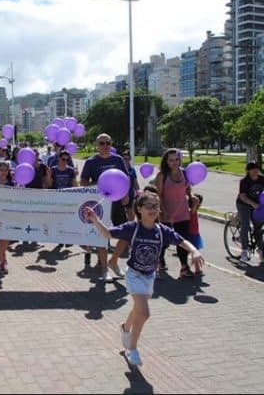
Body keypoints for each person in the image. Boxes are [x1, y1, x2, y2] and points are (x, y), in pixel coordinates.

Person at [84, 191, 205, 367]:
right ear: (139, 209)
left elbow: (181, 241)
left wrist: (194, 251)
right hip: (134, 275)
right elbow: (108, 234)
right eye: (148, 206)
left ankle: (125, 327)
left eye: (156, 206)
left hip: (149, 276)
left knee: (138, 309)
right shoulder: (132, 228)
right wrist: (95, 219)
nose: (153, 209)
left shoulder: (161, 230)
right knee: (145, 313)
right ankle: (132, 349)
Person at [80, 133, 130, 282]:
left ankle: (113, 260)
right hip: (100, 203)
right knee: (102, 237)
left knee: (126, 233)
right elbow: (83, 182)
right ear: (97, 145)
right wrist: (100, 185)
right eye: (102, 143)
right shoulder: (91, 162)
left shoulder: (118, 159)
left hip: (117, 202)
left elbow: (125, 178)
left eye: (108, 142)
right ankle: (104, 270)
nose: (105, 145)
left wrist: (126, 194)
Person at [154, 149, 193, 278]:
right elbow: (158, 195)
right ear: (166, 161)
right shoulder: (162, 176)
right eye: (171, 160)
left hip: (182, 213)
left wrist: (192, 198)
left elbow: (187, 190)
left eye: (176, 159)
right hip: (166, 213)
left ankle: (184, 267)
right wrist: (162, 211)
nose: (174, 162)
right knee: (164, 241)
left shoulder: (184, 173)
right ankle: (160, 259)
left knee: (182, 240)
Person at [236, 162, 264, 261]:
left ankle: (260, 250)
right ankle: (244, 251)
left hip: (258, 205)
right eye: (253, 170)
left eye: (257, 169)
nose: (255, 171)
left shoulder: (263, 179)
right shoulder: (244, 181)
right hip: (244, 204)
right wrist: (253, 204)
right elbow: (242, 196)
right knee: (245, 225)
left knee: (258, 227)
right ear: (248, 171)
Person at [0, 160, 15, 274]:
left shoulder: (12, 184)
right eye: (1, 170)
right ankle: (2, 262)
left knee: (6, 240)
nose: (4, 172)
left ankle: (3, 258)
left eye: (6, 170)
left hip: (8, 215)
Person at [121, 150, 139, 221]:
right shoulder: (119, 169)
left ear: (130, 159)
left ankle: (131, 227)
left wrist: (138, 192)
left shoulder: (132, 170)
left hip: (131, 195)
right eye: (124, 159)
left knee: (131, 214)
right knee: (121, 216)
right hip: (120, 196)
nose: (125, 161)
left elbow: (135, 182)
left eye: (127, 159)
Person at [188, 194, 205, 263]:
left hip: (195, 233)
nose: (199, 205)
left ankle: (196, 264)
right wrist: (190, 195)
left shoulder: (194, 211)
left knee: (194, 251)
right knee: (194, 251)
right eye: (198, 203)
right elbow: (195, 202)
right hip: (191, 234)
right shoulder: (192, 211)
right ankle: (196, 264)